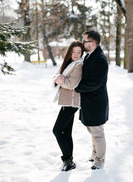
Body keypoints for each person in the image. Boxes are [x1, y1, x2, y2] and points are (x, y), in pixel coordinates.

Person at [75, 30, 109, 170]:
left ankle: (99, 161)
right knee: (92, 131)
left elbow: (95, 83)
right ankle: (95, 154)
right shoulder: (91, 55)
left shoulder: (99, 59)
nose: (82, 43)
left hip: (96, 103)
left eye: (85, 41)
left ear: (93, 43)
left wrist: (77, 87)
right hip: (89, 102)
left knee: (98, 133)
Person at [52, 40, 84, 172]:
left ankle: (67, 160)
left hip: (71, 102)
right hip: (67, 101)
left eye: (79, 52)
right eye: (73, 51)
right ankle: (70, 160)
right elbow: (57, 76)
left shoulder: (79, 65)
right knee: (66, 132)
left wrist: (61, 80)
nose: (76, 54)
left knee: (57, 130)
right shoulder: (69, 63)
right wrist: (58, 79)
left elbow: (71, 84)